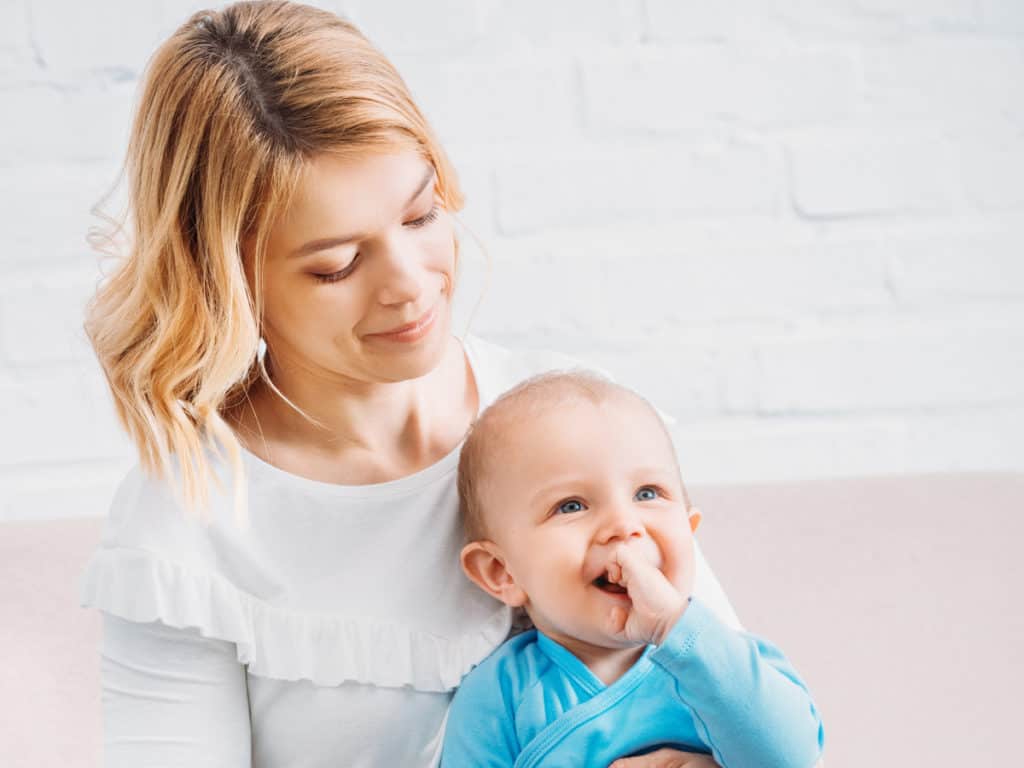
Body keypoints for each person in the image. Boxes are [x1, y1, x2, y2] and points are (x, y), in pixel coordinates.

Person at [79, 2, 743, 766]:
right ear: (229, 281)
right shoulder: (190, 521)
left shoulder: (572, 425)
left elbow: (743, 703)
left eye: (422, 215)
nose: (410, 285)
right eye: (336, 265)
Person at [443, 372, 825, 767]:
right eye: (572, 505)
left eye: (647, 493)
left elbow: (793, 759)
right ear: (501, 571)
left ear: (688, 533)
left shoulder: (726, 662)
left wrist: (676, 627)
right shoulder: (499, 698)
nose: (624, 526)